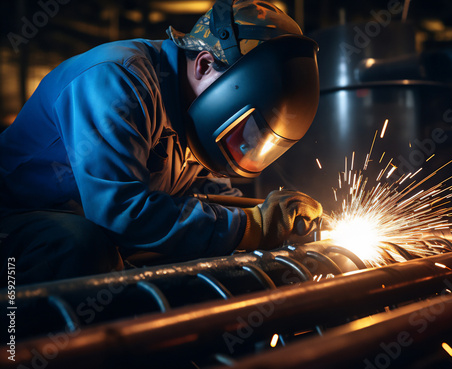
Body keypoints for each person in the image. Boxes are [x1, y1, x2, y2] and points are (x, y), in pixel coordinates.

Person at [0, 0, 322, 286]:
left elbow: (212, 196)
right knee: (77, 244)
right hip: (17, 222)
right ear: (205, 65)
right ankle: (24, 350)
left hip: (94, 223)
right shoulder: (117, 81)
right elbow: (121, 211)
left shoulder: (194, 117)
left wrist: (269, 225)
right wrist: (247, 228)